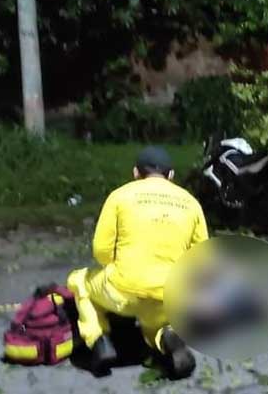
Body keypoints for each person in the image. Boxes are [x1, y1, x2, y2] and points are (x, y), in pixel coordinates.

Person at [66, 146, 208, 377]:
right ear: (171, 176)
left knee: (79, 280)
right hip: (171, 295)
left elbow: (101, 251)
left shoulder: (120, 196)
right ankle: (168, 337)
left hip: (124, 291)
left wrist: (119, 268)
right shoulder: (191, 203)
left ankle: (99, 341)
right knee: (156, 324)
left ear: (135, 173)